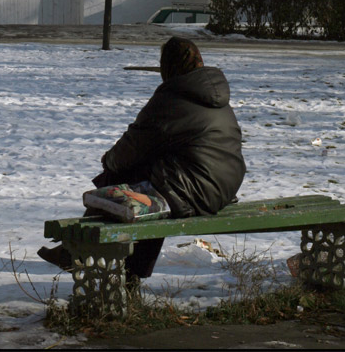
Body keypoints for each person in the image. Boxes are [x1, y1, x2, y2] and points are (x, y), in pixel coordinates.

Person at [38, 37, 246, 286]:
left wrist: (109, 162)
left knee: (130, 176)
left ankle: (77, 252)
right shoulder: (218, 98)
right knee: (152, 190)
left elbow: (132, 146)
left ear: (167, 67)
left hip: (193, 190)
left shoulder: (171, 99)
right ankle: (124, 271)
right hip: (222, 189)